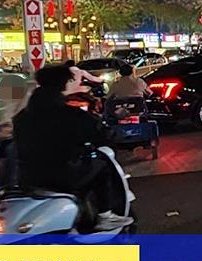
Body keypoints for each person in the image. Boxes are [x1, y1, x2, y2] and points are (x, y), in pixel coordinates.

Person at [12, 64, 132, 230]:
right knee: (102, 166)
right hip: (63, 174)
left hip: (28, 177)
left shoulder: (22, 116)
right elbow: (100, 134)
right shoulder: (69, 114)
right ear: (64, 84)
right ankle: (105, 216)